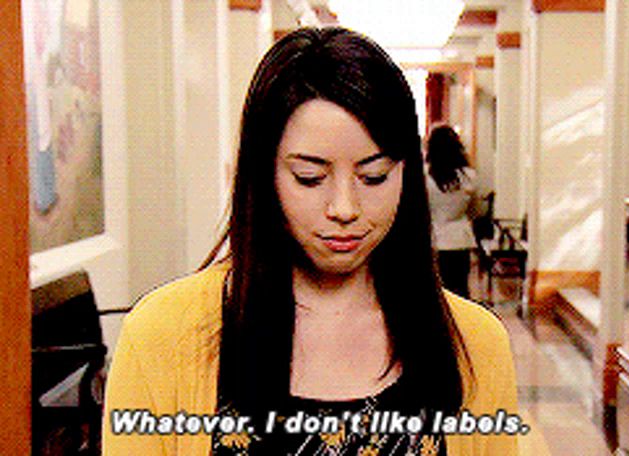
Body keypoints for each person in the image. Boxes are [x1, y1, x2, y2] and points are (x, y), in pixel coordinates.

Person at [103, 27, 519, 455]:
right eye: (310, 178)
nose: (344, 208)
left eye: (374, 176)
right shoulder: (163, 336)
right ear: (263, 174)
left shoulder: (475, 343)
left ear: (406, 173)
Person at [425, 125, 479, 299]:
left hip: (433, 238)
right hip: (460, 237)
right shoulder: (469, 176)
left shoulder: (424, 176)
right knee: (460, 289)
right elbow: (475, 210)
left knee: (435, 292)